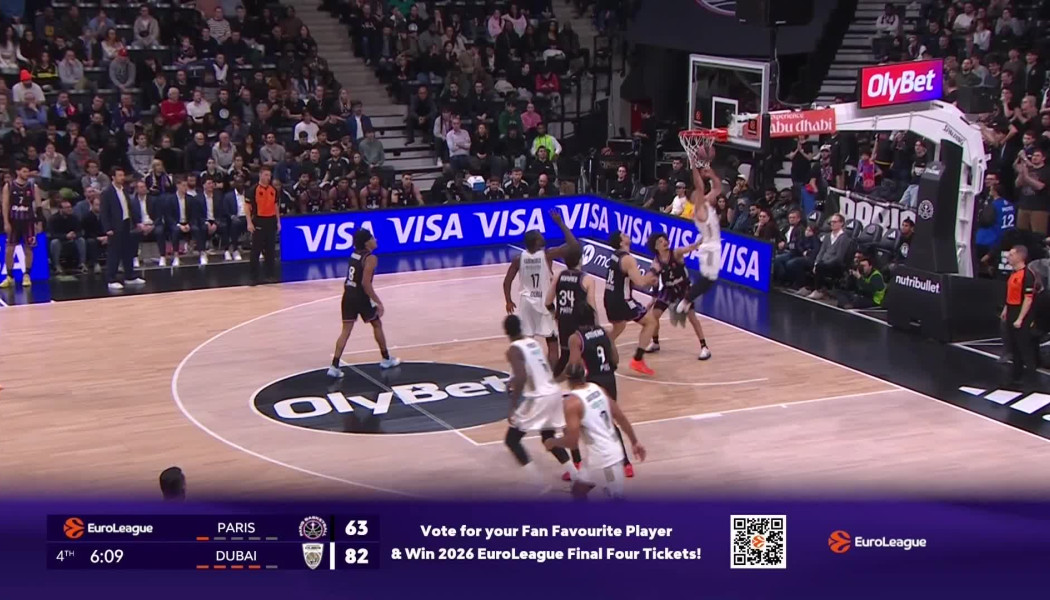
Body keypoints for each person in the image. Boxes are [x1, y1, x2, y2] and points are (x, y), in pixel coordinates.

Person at [544, 363, 645, 500]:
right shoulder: (598, 389)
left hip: (606, 459)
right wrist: (634, 441)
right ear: (584, 374)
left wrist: (552, 442)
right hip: (602, 455)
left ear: (567, 379)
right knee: (578, 491)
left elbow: (572, 442)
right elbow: (620, 417)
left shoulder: (572, 403)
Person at [502, 314, 579, 487]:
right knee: (548, 437)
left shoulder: (513, 349)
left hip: (539, 398)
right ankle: (577, 477)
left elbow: (522, 377)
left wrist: (513, 405)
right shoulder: (533, 343)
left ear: (506, 332)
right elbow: (536, 369)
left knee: (512, 440)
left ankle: (538, 484)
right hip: (554, 393)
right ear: (521, 328)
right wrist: (514, 379)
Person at [563, 304, 635, 478]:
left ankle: (577, 464)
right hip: (609, 378)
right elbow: (615, 358)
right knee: (610, 419)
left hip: (591, 381)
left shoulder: (576, 338)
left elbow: (574, 365)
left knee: (573, 425)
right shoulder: (604, 332)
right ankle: (626, 463)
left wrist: (563, 379)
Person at [502, 209, 579, 362]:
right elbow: (574, 246)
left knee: (525, 344)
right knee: (552, 344)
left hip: (527, 304)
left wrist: (508, 300)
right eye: (539, 235)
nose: (542, 235)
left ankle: (524, 370)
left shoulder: (518, 259)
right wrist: (560, 223)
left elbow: (507, 281)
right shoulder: (547, 255)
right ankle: (551, 374)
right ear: (536, 242)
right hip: (545, 303)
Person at [630, 233, 709, 375]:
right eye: (660, 241)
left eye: (664, 240)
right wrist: (653, 298)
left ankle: (704, 347)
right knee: (653, 316)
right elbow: (654, 281)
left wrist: (699, 243)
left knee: (692, 317)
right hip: (668, 290)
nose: (664, 242)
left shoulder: (676, 253)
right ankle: (655, 342)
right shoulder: (656, 262)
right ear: (655, 247)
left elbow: (690, 248)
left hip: (683, 288)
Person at [327, 228, 401, 377]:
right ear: (367, 243)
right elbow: (365, 283)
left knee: (345, 331)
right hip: (360, 296)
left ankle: (334, 366)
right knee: (377, 324)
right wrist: (378, 302)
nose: (375, 240)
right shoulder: (370, 258)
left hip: (348, 294)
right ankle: (386, 358)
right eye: (372, 238)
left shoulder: (354, 254)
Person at [673, 162, 724, 321]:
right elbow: (699, 185)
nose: (700, 194)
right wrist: (694, 167)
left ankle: (688, 299)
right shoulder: (698, 209)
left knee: (710, 280)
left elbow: (718, 188)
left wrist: (712, 174)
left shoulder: (705, 202)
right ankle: (686, 299)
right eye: (697, 194)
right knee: (709, 279)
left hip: (711, 244)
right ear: (693, 199)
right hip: (710, 248)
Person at [546, 245, 597, 378]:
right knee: (586, 354)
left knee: (565, 355)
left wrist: (555, 314)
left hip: (564, 320)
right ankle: (586, 382)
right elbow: (591, 305)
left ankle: (552, 381)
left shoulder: (558, 275)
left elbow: (548, 302)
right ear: (580, 260)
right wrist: (596, 326)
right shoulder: (587, 279)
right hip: (581, 322)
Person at [100, 167, 144, 290]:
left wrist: (136, 222)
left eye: (123, 175)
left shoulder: (124, 190)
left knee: (127, 251)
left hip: (126, 223)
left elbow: (129, 207)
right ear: (113, 177)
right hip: (114, 226)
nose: (122, 178)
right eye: (119, 175)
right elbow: (104, 212)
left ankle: (129, 276)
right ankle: (111, 279)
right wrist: (107, 228)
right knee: (114, 253)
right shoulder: (107, 192)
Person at [0, 164, 41, 288]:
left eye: (28, 171)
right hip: (14, 221)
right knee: (9, 250)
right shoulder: (9, 186)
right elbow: (5, 205)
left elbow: (38, 206)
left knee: (28, 249)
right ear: (18, 172)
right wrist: (6, 222)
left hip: (28, 221)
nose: (26, 174)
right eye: (24, 171)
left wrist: (39, 223)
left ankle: (27, 275)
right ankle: (9, 276)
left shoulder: (33, 186)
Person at [1002, 245, 1036, 383]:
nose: (1008, 257)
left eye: (1011, 254)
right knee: (1013, 345)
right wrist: (1006, 309)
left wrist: (1020, 319)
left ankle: (1032, 376)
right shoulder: (1013, 274)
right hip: (1011, 309)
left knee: (1023, 346)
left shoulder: (1027, 275)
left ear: (1019, 257)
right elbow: (1010, 293)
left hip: (1021, 311)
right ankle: (1016, 375)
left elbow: (1028, 299)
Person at [246, 165, 280, 284]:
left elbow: (276, 206)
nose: (268, 177)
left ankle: (270, 275)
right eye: (266, 175)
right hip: (259, 220)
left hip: (271, 220)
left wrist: (278, 221)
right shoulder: (253, 189)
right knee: (256, 250)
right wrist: (249, 222)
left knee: (270, 250)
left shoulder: (273, 190)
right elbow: (247, 207)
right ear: (260, 175)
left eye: (269, 175)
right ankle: (253, 277)